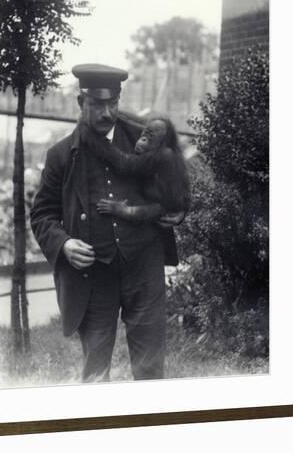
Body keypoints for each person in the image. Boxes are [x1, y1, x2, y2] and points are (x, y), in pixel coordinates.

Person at [30, 64, 185, 383]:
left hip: (143, 266)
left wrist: (178, 208)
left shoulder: (145, 136)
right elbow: (42, 214)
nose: (106, 113)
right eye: (97, 105)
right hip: (94, 275)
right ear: (80, 102)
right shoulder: (61, 155)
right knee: (96, 370)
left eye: (112, 104)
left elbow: (177, 178)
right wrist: (64, 244)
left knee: (150, 366)